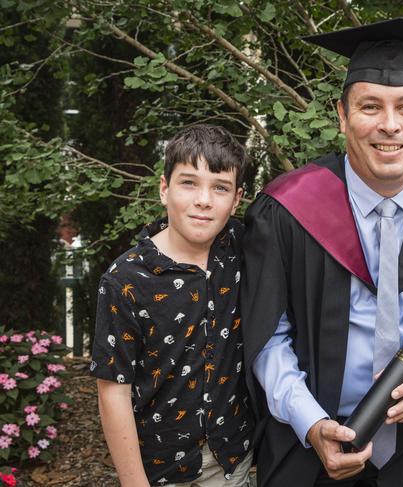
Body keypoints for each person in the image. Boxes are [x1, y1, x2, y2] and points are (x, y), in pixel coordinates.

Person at [241, 18, 403, 487]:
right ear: (341, 115)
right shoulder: (287, 209)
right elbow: (267, 335)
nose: (390, 125)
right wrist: (310, 423)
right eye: (369, 107)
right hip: (309, 454)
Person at [89, 125, 254, 487]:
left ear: (237, 198)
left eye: (220, 188)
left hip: (233, 459)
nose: (204, 200)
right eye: (189, 183)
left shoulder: (243, 250)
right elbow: (113, 392)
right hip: (161, 470)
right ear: (164, 189)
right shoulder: (125, 280)